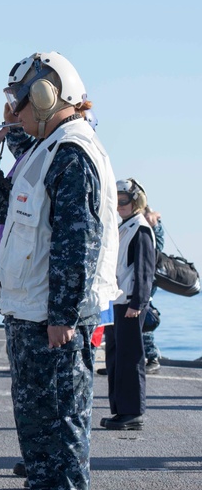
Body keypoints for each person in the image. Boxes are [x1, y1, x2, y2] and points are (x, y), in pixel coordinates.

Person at [0, 51, 120, 490]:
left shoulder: (72, 154)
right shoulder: (44, 149)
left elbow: (78, 242)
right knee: (38, 430)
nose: (13, 114)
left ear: (45, 96)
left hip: (51, 323)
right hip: (30, 315)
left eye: (19, 104)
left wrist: (62, 316)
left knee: (61, 431)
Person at [100, 178, 156, 431]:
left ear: (136, 201)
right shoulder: (125, 226)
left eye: (124, 200)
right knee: (115, 357)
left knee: (130, 358)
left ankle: (132, 413)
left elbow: (145, 270)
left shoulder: (140, 229)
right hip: (117, 302)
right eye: (117, 200)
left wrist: (138, 303)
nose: (120, 205)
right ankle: (120, 410)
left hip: (130, 304)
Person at [141, 205, 165, 373]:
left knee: (144, 316)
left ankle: (153, 357)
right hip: (134, 277)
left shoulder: (152, 228)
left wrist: (154, 221)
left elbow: (158, 247)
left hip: (146, 277)